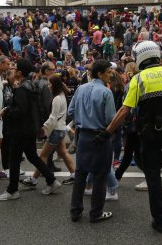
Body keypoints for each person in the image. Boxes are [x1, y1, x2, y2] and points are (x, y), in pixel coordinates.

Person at [103, 41, 162, 233]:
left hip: (150, 134)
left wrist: (108, 131)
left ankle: (160, 221)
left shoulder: (138, 80)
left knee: (153, 177)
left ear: (140, 57)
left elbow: (124, 110)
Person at [0, 59, 61, 201]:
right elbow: (37, 108)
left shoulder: (22, 89)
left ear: (19, 72)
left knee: (14, 159)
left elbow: (20, 111)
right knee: (32, 156)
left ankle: (12, 190)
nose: (12, 70)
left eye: (14, 68)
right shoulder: (32, 86)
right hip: (30, 129)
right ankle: (51, 180)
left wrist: (6, 111)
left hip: (20, 130)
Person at [68, 59, 117, 223]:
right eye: (109, 72)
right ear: (99, 73)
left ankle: (75, 211)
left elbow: (71, 110)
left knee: (80, 173)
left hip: (83, 135)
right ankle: (95, 213)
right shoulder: (106, 92)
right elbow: (111, 118)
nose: (111, 74)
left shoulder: (81, 88)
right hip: (101, 136)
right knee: (100, 175)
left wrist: (82, 119)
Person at [21, 74, 76, 187]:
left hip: (55, 130)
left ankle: (34, 179)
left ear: (54, 84)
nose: (48, 85)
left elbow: (53, 117)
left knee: (43, 156)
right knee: (63, 153)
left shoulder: (56, 98)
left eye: (50, 83)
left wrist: (44, 128)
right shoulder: (62, 95)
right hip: (61, 129)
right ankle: (74, 174)